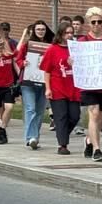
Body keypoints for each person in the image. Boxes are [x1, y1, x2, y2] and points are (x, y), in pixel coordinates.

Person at [75, 8, 102, 162]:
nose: (97, 25)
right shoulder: (83, 41)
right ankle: (97, 150)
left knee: (101, 120)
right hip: (89, 85)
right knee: (94, 114)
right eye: (93, 22)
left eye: (99, 22)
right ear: (89, 24)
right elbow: (76, 59)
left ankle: (89, 140)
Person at [41, 23, 81, 155]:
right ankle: (62, 144)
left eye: (71, 33)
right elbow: (47, 71)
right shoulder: (53, 49)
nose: (69, 35)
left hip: (73, 88)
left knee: (74, 116)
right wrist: (48, 88)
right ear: (61, 34)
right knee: (61, 116)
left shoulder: (75, 48)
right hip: (58, 87)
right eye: (67, 33)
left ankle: (62, 133)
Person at [17, 21, 52, 149]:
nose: (41, 31)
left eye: (43, 29)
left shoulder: (50, 45)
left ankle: (35, 137)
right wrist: (23, 63)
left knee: (39, 111)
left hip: (43, 82)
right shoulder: (27, 45)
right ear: (34, 30)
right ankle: (30, 137)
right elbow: (18, 59)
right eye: (38, 29)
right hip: (28, 82)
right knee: (30, 109)